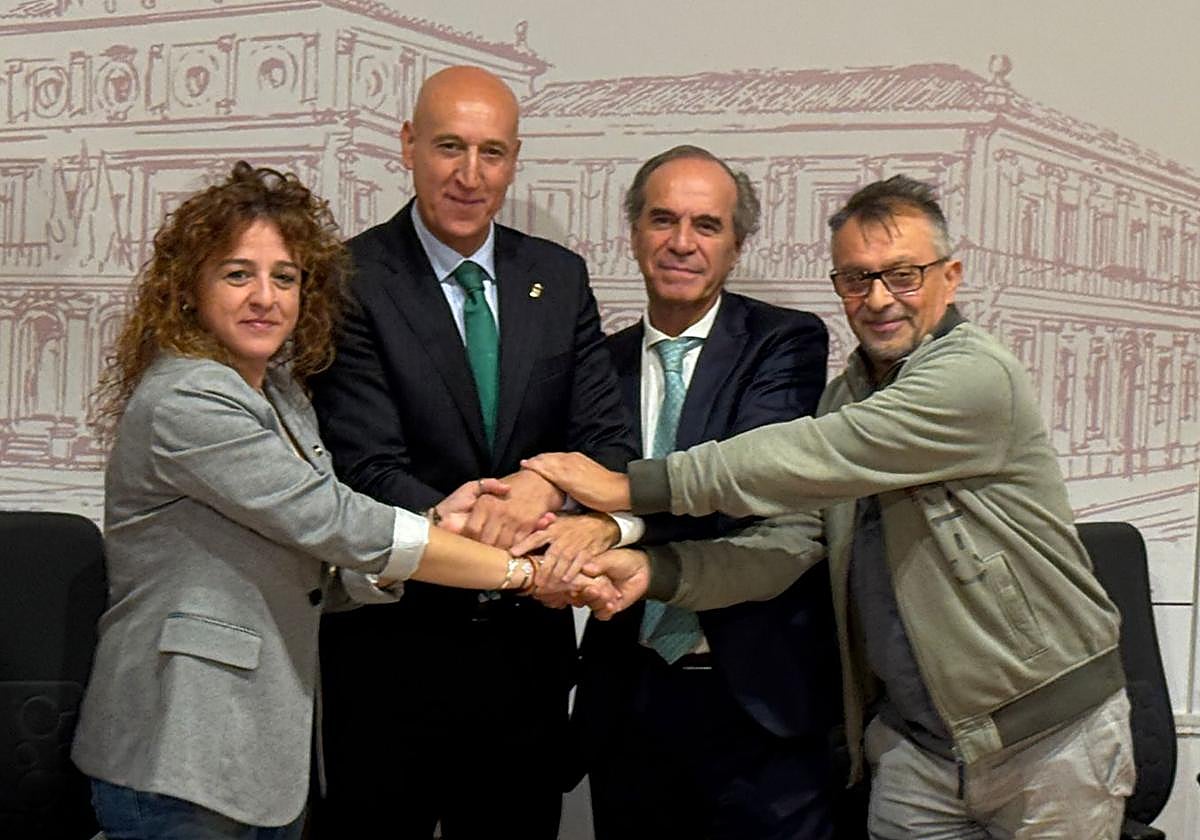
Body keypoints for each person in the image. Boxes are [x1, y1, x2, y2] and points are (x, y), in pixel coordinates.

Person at [525, 175, 1134, 839]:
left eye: (902, 275)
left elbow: (818, 452)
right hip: (917, 747)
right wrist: (655, 572)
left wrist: (629, 487)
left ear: (950, 276)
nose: (877, 300)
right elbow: (785, 542)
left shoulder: (973, 375)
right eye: (855, 279)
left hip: (1045, 739)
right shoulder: (847, 395)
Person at [71, 162, 567, 839]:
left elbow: (313, 553)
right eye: (237, 274)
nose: (265, 298)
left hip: (257, 761)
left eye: (286, 277)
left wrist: (433, 521)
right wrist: (522, 573)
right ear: (188, 288)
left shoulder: (280, 394)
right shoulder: (188, 397)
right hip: (180, 759)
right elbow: (334, 520)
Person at [308, 66, 635, 838]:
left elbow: (608, 446)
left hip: (528, 655)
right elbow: (365, 463)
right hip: (392, 655)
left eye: (491, 152)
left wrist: (541, 492)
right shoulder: (346, 279)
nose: (469, 174)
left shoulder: (557, 277)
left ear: (514, 159)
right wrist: (479, 520)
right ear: (408, 146)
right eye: (449, 146)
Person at [515, 145, 841, 839]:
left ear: (736, 244)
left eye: (707, 225)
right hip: (630, 696)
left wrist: (616, 525)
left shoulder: (784, 343)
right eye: (663, 220)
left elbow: (746, 487)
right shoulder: (593, 367)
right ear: (633, 232)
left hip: (759, 700)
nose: (682, 244)